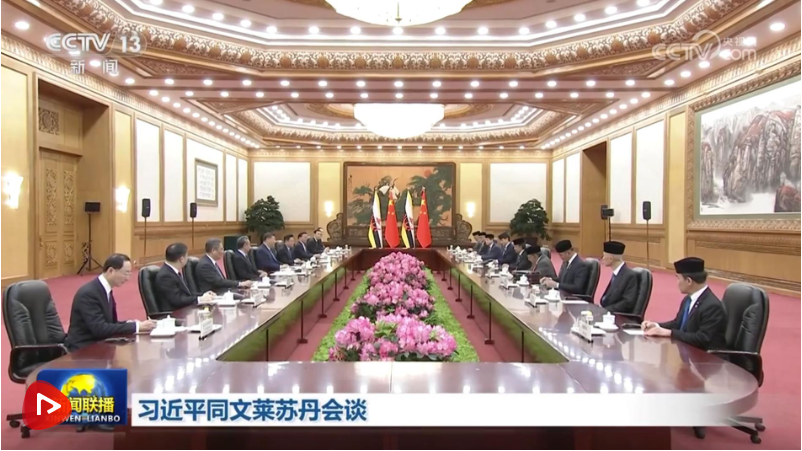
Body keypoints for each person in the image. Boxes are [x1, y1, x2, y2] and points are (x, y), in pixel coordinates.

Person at [65, 254, 156, 350]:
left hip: (99, 344)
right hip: (83, 349)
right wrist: (136, 326)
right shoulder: (88, 294)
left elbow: (111, 323)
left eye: (129, 274)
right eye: (125, 273)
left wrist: (132, 323)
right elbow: (100, 329)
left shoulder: (104, 289)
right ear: (111, 271)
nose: (127, 278)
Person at [642, 257, 727, 350]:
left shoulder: (711, 306)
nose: (677, 282)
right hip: (690, 351)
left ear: (689, 281)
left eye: (678, 278)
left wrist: (671, 333)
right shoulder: (688, 299)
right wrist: (656, 326)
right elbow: (677, 323)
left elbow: (703, 338)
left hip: (707, 356)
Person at [155, 243, 216, 311]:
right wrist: (199, 299)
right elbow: (177, 300)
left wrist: (203, 295)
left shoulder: (172, 271)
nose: (188, 258)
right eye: (187, 256)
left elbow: (186, 294)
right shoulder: (165, 276)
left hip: (184, 309)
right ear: (181, 259)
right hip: (175, 313)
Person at [598, 241, 639, 313]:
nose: (602, 258)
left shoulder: (629, 276)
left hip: (617, 315)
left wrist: (606, 310)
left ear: (611, 259)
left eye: (604, 256)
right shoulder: (617, 273)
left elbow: (627, 303)